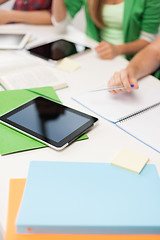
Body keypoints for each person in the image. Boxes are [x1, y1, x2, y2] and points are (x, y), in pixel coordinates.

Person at [52, 0, 160, 60]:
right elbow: (60, 26)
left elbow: (148, 40)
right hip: (95, 56)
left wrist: (117, 50)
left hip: (130, 61)